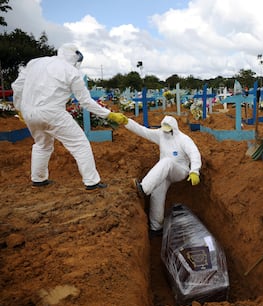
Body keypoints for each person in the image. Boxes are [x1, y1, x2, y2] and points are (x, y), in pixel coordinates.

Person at [11, 43, 128, 190]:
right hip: (53, 112)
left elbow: (17, 86)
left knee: (42, 145)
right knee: (80, 144)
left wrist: (20, 108)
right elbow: (85, 101)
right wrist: (109, 114)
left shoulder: (35, 63)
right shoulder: (72, 72)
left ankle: (38, 179)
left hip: (29, 112)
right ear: (75, 56)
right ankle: (92, 182)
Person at [125, 115, 202, 236]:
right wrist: (126, 122)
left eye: (168, 130)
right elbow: (142, 131)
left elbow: (194, 153)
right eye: (164, 129)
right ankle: (156, 228)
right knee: (156, 194)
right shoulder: (161, 134)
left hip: (179, 171)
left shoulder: (183, 139)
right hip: (164, 173)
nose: (165, 133)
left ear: (174, 129)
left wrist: (194, 171)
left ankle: (143, 188)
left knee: (167, 161)